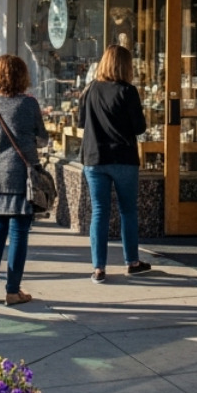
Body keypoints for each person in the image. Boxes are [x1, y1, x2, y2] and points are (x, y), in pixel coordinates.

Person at [0, 54, 48, 305]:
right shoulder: (28, 104)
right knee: (19, 232)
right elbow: (42, 138)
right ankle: (13, 290)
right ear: (22, 77)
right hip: (20, 176)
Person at [78, 45, 151, 281]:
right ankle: (132, 261)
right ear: (126, 66)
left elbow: (81, 123)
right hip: (123, 157)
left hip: (94, 157)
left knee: (99, 211)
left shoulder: (90, 90)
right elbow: (139, 127)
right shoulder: (128, 91)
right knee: (127, 210)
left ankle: (98, 268)